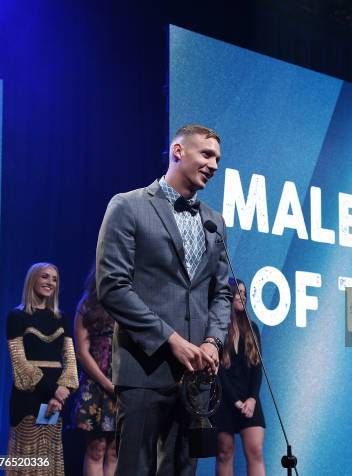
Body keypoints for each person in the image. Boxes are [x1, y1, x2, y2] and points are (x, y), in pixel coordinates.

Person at [96, 124, 232, 476]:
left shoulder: (214, 222)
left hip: (196, 377)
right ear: (177, 151)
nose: (214, 165)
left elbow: (221, 291)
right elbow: (112, 286)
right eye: (206, 154)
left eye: (217, 158)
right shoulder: (128, 205)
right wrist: (171, 340)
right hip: (144, 368)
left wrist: (213, 341)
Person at [6, 262, 79, 475]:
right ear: (33, 279)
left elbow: (70, 359)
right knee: (28, 456)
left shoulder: (60, 317)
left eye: (54, 279)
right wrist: (52, 390)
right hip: (28, 396)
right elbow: (19, 361)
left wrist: (62, 391)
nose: (50, 283)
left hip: (55, 399)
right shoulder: (17, 316)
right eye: (45, 277)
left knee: (47, 454)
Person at [214, 278, 266, 476]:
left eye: (245, 293)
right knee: (224, 453)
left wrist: (252, 398)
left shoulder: (252, 328)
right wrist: (235, 401)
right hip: (224, 400)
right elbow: (219, 371)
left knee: (256, 452)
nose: (243, 297)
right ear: (227, 295)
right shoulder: (217, 328)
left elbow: (257, 368)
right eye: (238, 292)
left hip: (250, 400)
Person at [72, 266, 117, 475]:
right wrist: (107, 384)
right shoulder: (87, 304)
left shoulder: (129, 302)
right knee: (97, 448)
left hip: (124, 383)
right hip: (96, 384)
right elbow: (81, 352)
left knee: (115, 451)